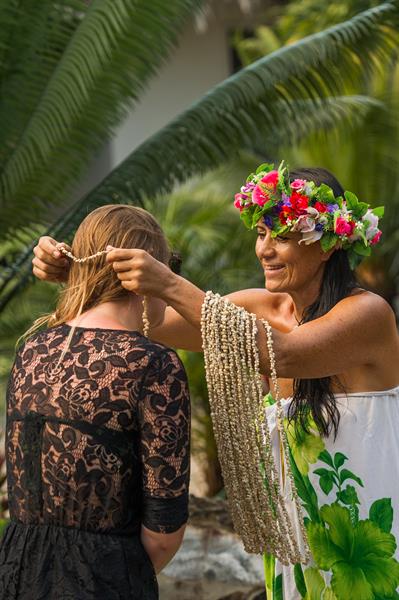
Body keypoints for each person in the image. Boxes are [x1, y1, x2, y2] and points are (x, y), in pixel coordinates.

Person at [32, 164, 399, 599]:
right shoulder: (257, 307)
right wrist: (81, 276)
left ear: (328, 244)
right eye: (261, 233)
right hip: (296, 549)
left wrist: (169, 282)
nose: (264, 248)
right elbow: (152, 323)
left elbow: (282, 354)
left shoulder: (369, 314)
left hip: (372, 543)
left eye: (281, 235)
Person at [1, 205, 191, 600]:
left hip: (16, 570)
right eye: (170, 267)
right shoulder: (153, 364)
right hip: (104, 579)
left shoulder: (33, 349)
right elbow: (164, 532)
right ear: (146, 273)